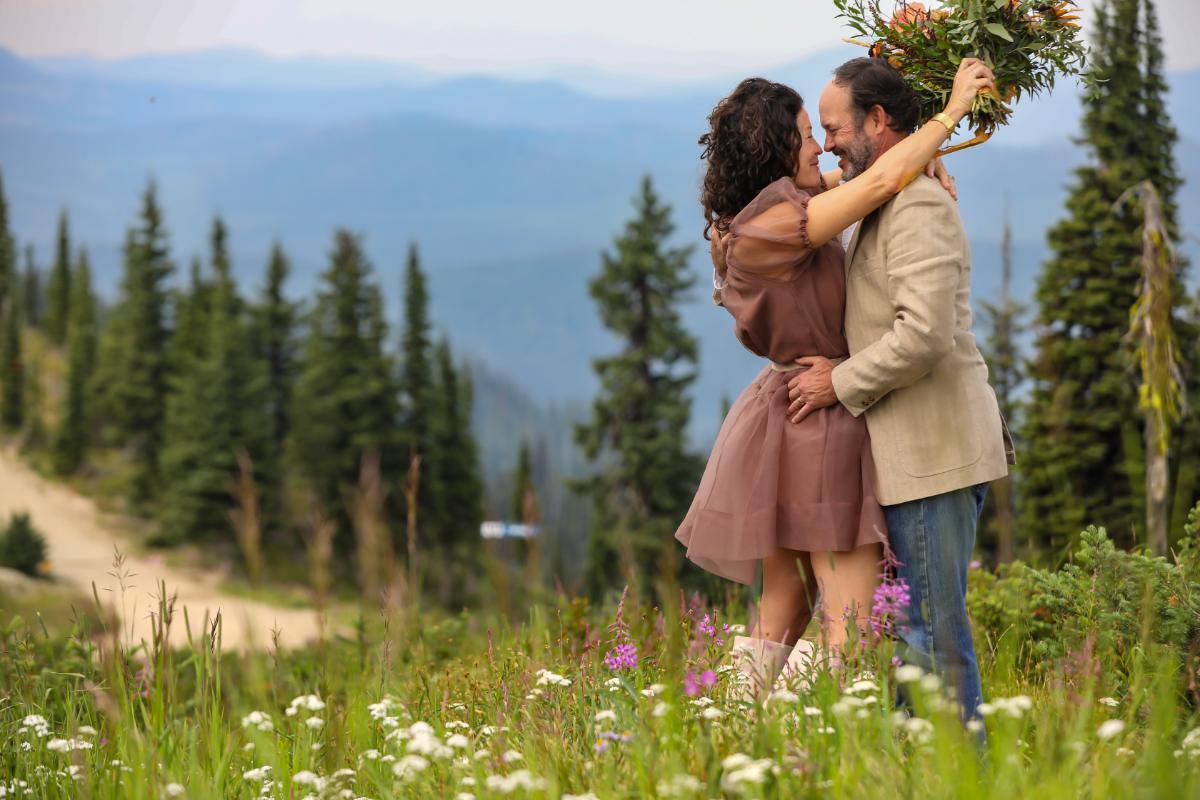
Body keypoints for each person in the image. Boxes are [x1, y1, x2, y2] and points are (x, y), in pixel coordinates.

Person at [675, 55, 996, 701]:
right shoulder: (778, 223)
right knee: (848, 631)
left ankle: (728, 737)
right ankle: (797, 753)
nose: (819, 146)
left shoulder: (768, 208)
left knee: (780, 615)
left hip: (780, 420)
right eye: (806, 133)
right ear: (778, 147)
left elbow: (878, 175)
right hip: (819, 420)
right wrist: (952, 112)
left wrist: (923, 155)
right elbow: (879, 185)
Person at [786, 57, 1016, 719]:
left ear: (878, 121)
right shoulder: (883, 190)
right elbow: (798, 201)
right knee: (909, 638)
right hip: (907, 458)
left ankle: (958, 775)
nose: (825, 142)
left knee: (933, 637)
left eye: (833, 127)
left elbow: (925, 337)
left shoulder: (915, 205)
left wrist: (839, 383)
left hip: (932, 459)